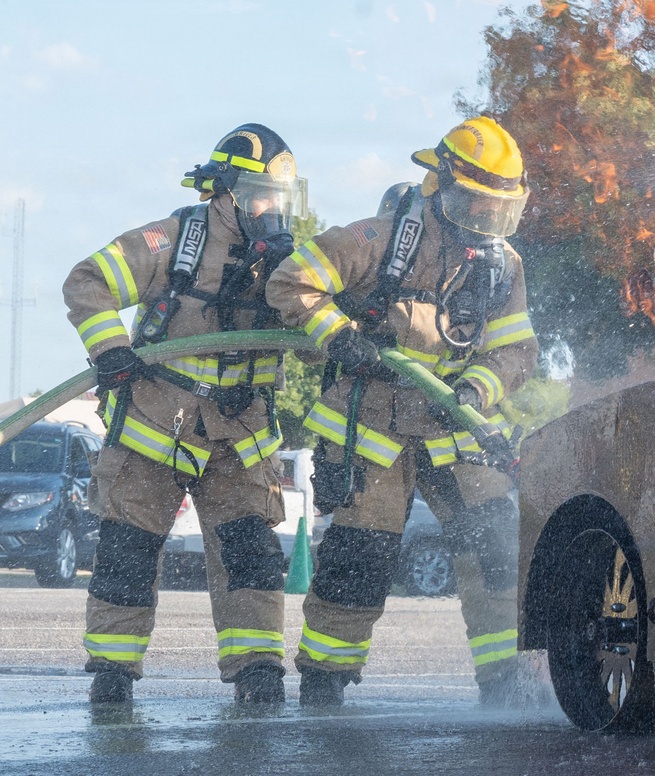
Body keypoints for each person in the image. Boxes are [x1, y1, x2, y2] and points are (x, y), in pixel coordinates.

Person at [266, 114, 538, 707]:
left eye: (498, 212)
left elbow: (516, 349)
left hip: (451, 426)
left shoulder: (504, 265)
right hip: (373, 425)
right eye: (475, 205)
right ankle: (325, 679)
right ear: (439, 186)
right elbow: (291, 284)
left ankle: (506, 682)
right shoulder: (377, 238)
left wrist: (477, 391)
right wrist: (337, 335)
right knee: (361, 555)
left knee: (496, 546)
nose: (485, 223)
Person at [62, 123, 308, 705]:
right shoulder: (170, 240)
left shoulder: (288, 261)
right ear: (222, 191)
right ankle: (113, 675)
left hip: (240, 434)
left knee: (250, 553)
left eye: (280, 199)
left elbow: (320, 324)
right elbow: (88, 280)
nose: (270, 210)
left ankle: (258, 673)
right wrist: (111, 351)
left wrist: (299, 282)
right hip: (157, 423)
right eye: (257, 197)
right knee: (128, 549)